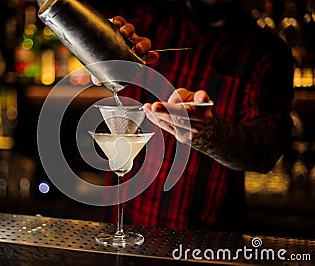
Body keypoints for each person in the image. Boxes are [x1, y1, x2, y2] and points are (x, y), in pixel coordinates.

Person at [100, 0, 295, 232]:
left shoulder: (266, 51)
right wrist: (93, 45)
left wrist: (208, 133)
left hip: (206, 242)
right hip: (125, 226)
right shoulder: (140, 20)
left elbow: (266, 152)